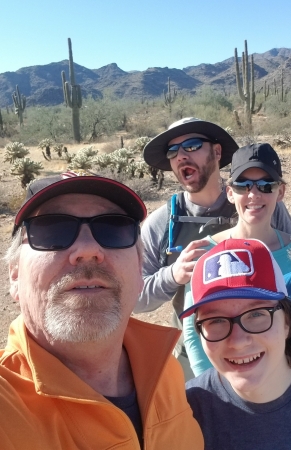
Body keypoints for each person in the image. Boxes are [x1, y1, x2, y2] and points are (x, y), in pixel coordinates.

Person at [0, 172, 204, 450]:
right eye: (52, 230)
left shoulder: (166, 370)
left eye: (113, 228)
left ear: (139, 265)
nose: (87, 249)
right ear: (14, 274)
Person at [134, 117, 291, 379]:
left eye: (192, 146)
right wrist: (173, 275)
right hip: (197, 359)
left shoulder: (259, 207)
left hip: (271, 356)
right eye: (173, 151)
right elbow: (134, 298)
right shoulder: (162, 223)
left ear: (217, 152)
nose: (181, 155)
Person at [183, 142, 291, 376]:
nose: (254, 194)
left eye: (266, 185)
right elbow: (194, 331)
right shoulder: (207, 253)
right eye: (243, 186)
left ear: (280, 192)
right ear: (230, 193)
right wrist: (215, 388)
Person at [182, 238, 291, 450]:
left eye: (257, 314)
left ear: (286, 322)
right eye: (216, 320)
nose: (238, 342)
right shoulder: (184, 414)